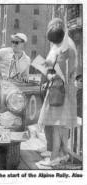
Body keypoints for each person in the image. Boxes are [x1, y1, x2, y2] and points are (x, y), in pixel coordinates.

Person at [38, 18, 78, 166]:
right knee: (61, 126)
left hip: (61, 92)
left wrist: (48, 73)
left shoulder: (66, 49)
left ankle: (55, 157)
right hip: (64, 91)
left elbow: (60, 73)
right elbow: (56, 63)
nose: (54, 44)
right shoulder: (66, 43)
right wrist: (48, 64)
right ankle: (63, 154)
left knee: (57, 125)